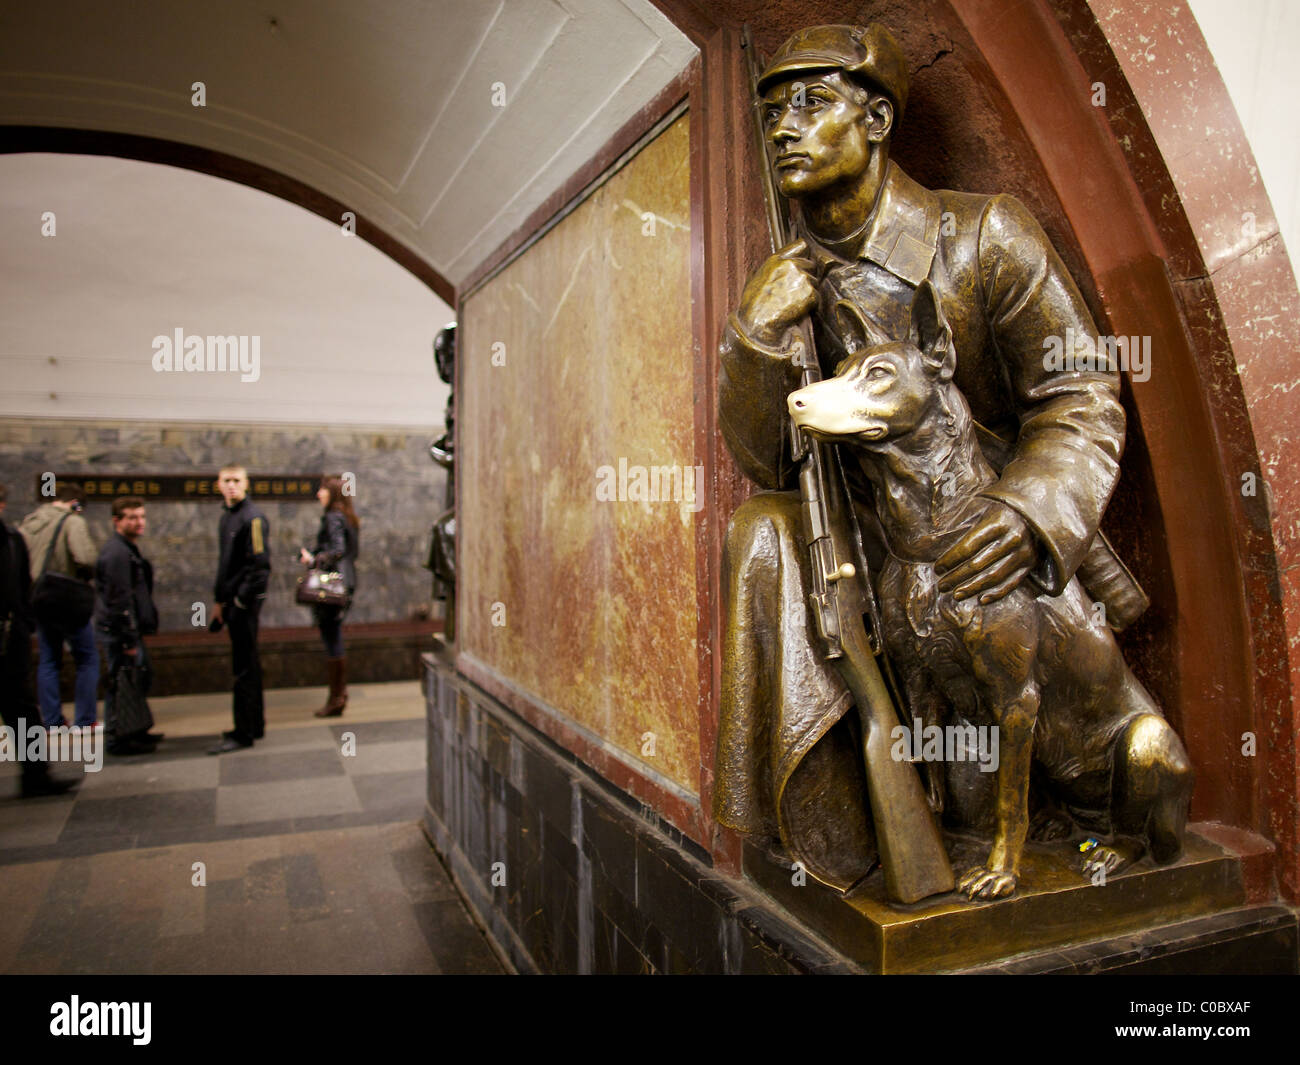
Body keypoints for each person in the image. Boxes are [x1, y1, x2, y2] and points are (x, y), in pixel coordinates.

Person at [713, 24, 1130, 890]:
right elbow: (764, 460)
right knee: (760, 532)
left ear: (875, 119)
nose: (784, 126)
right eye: (773, 110)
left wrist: (1028, 513)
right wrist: (756, 336)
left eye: (812, 102)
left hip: (982, 535)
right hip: (869, 545)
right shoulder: (786, 280)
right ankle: (837, 831)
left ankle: (1029, 817)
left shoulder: (982, 237)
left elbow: (1081, 393)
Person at [0, 483, 78, 797]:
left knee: (22, 710)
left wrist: (22, 622)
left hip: (9, 638)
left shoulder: (12, 539)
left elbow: (22, 586)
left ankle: (36, 775)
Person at [19, 482, 100, 730]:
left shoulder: (29, 523)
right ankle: (85, 719)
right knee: (87, 657)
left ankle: (52, 720)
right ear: (75, 504)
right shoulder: (72, 521)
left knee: (48, 659)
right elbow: (85, 558)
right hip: (66, 599)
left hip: (39, 599)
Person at [208, 465, 270, 754]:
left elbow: (260, 567)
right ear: (219, 484)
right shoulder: (227, 518)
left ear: (247, 484)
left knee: (244, 667)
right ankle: (253, 723)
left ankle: (244, 731)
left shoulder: (252, 518)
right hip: (231, 602)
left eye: (237, 480)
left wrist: (240, 601)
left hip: (243, 605)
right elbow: (226, 566)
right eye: (226, 481)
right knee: (247, 664)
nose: (231, 485)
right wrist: (219, 602)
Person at [95, 497, 162, 756]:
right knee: (121, 683)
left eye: (142, 517)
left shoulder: (127, 549)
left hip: (127, 631)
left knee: (136, 680)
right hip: (120, 633)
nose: (139, 522)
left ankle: (135, 730)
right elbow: (119, 600)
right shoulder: (117, 553)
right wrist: (129, 640)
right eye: (132, 518)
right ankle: (117, 738)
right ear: (117, 521)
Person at [299, 474, 359, 717]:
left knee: (332, 636)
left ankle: (337, 697)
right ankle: (338, 695)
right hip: (346, 583)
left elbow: (337, 550)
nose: (318, 494)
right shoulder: (347, 516)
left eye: (322, 490)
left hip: (331, 586)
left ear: (332, 492)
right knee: (333, 635)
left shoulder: (333, 517)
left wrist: (313, 559)